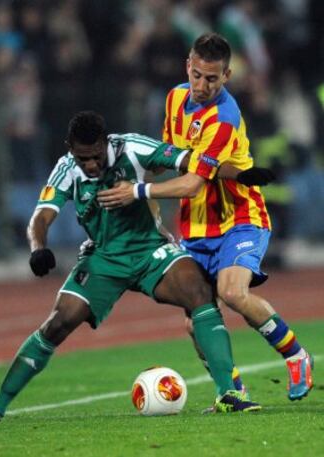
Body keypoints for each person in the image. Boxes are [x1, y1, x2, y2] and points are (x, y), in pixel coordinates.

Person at [0, 111, 263, 426]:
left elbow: (192, 160)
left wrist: (238, 174)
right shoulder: (66, 169)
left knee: (199, 291)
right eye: (83, 159)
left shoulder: (133, 148)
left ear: (105, 143)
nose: (91, 165)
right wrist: (38, 248)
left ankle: (228, 394)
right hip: (104, 258)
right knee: (58, 322)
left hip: (150, 250)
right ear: (70, 148)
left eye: (96, 156)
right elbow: (40, 217)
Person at [97, 33, 314, 402]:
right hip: (196, 227)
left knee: (232, 292)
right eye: (197, 75)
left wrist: (137, 192)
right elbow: (166, 158)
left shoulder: (224, 117)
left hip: (239, 217)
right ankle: (233, 393)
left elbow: (193, 184)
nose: (202, 85)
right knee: (197, 319)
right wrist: (140, 188)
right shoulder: (175, 98)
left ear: (227, 75)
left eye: (212, 78)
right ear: (188, 66)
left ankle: (296, 356)